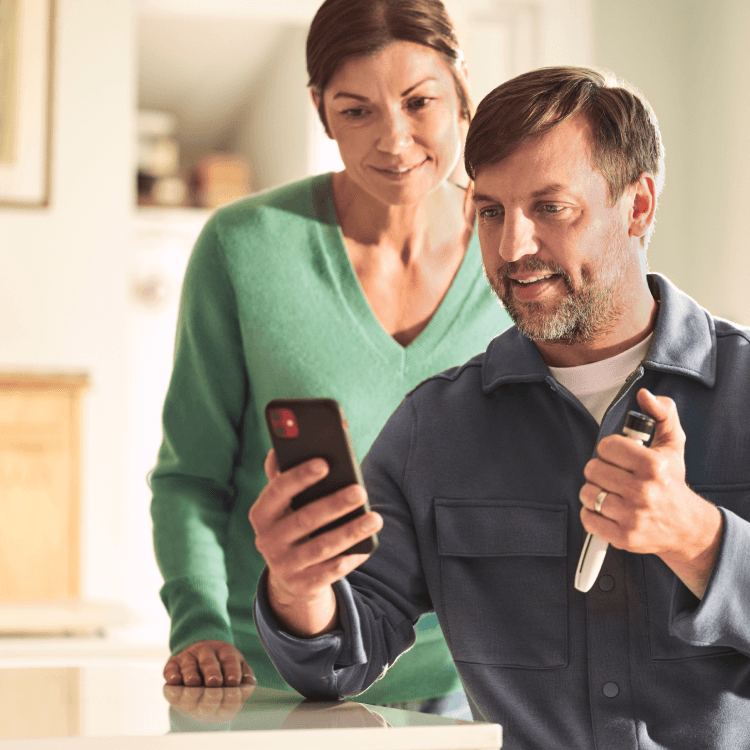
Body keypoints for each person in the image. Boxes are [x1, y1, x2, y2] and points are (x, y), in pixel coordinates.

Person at [251, 66, 750, 749]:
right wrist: (298, 587)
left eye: (551, 208)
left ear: (637, 209)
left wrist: (698, 539)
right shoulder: (435, 427)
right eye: (490, 212)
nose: (512, 248)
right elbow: (344, 653)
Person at [149, 0, 512, 715]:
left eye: (419, 102)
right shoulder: (242, 247)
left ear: (462, 85)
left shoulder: (519, 249)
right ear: (320, 109)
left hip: (474, 690)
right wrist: (197, 629)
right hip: (277, 687)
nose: (395, 138)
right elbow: (191, 479)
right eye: (356, 111)